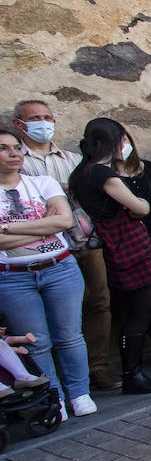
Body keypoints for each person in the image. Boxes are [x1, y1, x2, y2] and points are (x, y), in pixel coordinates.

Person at [70, 119, 151, 395]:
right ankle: (132, 373)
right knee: (142, 308)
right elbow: (140, 207)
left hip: (119, 238)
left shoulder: (81, 173)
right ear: (114, 142)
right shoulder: (102, 175)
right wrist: (141, 205)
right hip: (126, 238)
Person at [13, 100, 116, 390]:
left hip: (84, 240)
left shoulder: (71, 160)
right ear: (19, 125)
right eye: (35, 118)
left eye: (47, 117)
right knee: (47, 317)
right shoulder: (16, 160)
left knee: (98, 302)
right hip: (38, 247)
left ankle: (97, 368)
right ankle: (57, 379)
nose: (43, 123)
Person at [0, 127, 95, 416]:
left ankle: (80, 393)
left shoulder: (43, 183)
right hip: (12, 276)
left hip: (60, 268)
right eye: (3, 148)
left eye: (16, 147)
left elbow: (65, 221)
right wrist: (43, 228)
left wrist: (6, 228)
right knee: (36, 341)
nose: (13, 153)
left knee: (70, 336)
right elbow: (52, 226)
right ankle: (53, 398)